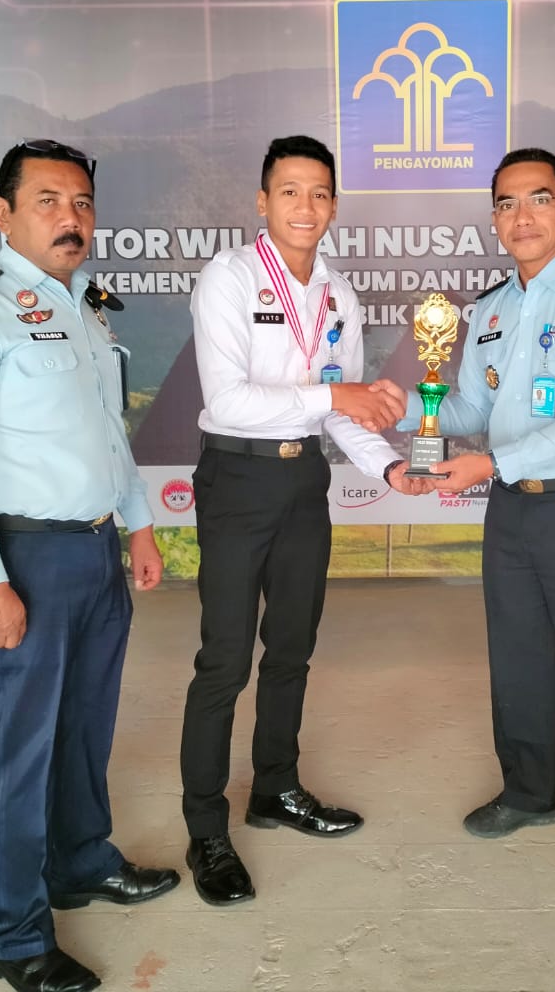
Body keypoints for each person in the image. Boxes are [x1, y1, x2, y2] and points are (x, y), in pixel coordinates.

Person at [0, 138, 179, 992]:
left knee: (84, 728)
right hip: (21, 557)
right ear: (3, 213)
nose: (71, 218)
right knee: (20, 750)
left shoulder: (83, 307)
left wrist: (137, 527)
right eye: (48, 201)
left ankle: (80, 862)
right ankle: (14, 936)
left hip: (93, 549)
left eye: (81, 203)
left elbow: (108, 432)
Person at [390, 146, 555, 889]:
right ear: (494, 219)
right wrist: (403, 405)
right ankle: (530, 791)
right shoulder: (492, 308)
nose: (521, 216)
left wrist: (492, 464)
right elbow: (470, 409)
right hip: (510, 510)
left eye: (538, 198)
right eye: (506, 203)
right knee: (519, 661)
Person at [180, 134, 426, 906]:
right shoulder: (227, 278)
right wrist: (334, 397)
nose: (305, 206)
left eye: (319, 192)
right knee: (225, 659)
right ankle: (205, 829)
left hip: (301, 482)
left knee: (290, 648)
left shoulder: (337, 296)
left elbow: (342, 412)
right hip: (237, 478)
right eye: (289, 191)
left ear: (333, 206)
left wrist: (388, 468)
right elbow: (228, 401)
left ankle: (275, 788)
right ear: (262, 201)